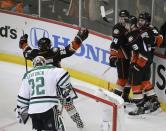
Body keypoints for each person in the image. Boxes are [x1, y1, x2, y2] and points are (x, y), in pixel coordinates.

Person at [19, 28, 89, 128]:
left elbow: (26, 51)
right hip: (58, 83)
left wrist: (23, 42)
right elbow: (71, 49)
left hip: (44, 87)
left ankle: (44, 119)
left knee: (44, 104)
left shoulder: (34, 54)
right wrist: (79, 38)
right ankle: (78, 122)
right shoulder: (55, 52)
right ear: (49, 46)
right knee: (68, 104)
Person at [16, 56, 80, 131]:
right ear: (44, 63)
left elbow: (22, 97)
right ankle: (78, 122)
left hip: (33, 111)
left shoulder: (27, 75)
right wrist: (68, 92)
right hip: (49, 107)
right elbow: (65, 78)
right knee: (58, 125)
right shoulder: (52, 70)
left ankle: (78, 121)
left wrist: (20, 110)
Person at [125, 15, 160, 115]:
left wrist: (138, 65)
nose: (125, 25)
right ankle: (154, 102)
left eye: (127, 24)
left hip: (141, 63)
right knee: (145, 81)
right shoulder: (140, 32)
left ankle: (140, 107)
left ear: (132, 25)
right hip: (146, 62)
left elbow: (143, 52)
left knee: (135, 84)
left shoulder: (134, 35)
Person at [109, 10, 131, 102]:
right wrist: (113, 56)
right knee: (122, 78)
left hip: (131, 56)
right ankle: (116, 98)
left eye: (124, 18)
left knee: (129, 78)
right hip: (122, 56)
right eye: (121, 18)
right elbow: (115, 44)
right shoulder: (117, 28)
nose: (122, 20)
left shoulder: (131, 26)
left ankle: (125, 96)